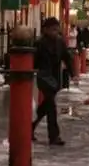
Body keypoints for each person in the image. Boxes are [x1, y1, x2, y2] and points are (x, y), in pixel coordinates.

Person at [32, 18, 74, 146]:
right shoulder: (39, 43)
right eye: (52, 29)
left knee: (46, 106)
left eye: (57, 29)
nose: (55, 32)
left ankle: (30, 126)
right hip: (44, 77)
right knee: (51, 106)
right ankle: (54, 136)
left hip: (55, 78)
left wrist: (73, 73)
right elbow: (34, 60)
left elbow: (67, 56)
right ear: (45, 30)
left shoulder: (60, 42)